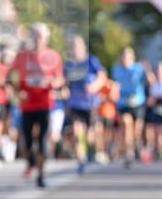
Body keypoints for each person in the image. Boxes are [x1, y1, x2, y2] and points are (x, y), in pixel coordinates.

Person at [8, 23, 64, 188]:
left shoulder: (53, 56)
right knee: (25, 143)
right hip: (27, 105)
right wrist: (17, 91)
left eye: (40, 36)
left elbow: (60, 78)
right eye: (34, 36)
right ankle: (31, 160)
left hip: (45, 104)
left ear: (46, 38)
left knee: (42, 141)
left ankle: (41, 175)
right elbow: (9, 76)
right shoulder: (22, 56)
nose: (37, 40)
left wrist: (53, 83)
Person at [63, 35, 106, 174]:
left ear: (83, 47)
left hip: (90, 104)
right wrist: (63, 89)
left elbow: (102, 76)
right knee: (76, 131)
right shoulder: (68, 64)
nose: (74, 49)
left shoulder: (91, 60)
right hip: (75, 103)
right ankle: (80, 160)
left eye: (77, 46)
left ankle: (93, 151)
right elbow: (64, 81)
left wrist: (94, 86)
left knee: (90, 134)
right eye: (72, 46)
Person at [111, 46, 147, 166]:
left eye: (128, 56)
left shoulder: (139, 68)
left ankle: (136, 145)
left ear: (132, 57)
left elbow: (147, 81)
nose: (126, 58)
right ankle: (129, 153)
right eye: (124, 56)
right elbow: (115, 84)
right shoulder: (116, 69)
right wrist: (113, 91)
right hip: (123, 103)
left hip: (138, 102)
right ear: (121, 57)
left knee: (136, 131)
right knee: (127, 123)